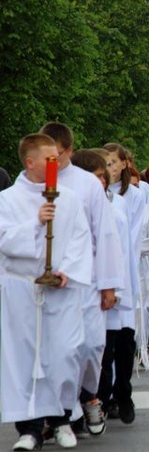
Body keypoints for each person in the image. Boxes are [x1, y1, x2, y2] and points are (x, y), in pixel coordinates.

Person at [0, 134, 93, 451]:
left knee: (65, 354)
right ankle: (29, 428)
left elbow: (82, 239)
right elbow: (4, 241)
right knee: (25, 359)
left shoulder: (69, 197)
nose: (58, 163)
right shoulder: (7, 200)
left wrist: (68, 269)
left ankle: (62, 419)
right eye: (50, 159)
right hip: (23, 289)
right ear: (30, 162)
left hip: (61, 290)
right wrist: (35, 223)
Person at [40, 123, 123, 438]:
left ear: (69, 151)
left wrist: (109, 284)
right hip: (47, 280)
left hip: (85, 278)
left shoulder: (87, 184)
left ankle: (89, 394)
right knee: (55, 350)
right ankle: (57, 415)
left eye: (57, 154)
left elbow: (105, 233)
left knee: (90, 345)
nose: (52, 159)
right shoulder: (35, 182)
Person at [99, 143, 147, 424]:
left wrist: (123, 280)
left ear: (124, 165)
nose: (110, 168)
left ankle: (123, 393)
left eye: (114, 162)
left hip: (125, 272)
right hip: (104, 275)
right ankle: (104, 397)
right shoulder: (97, 196)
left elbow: (131, 240)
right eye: (105, 163)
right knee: (105, 343)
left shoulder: (134, 196)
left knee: (125, 342)